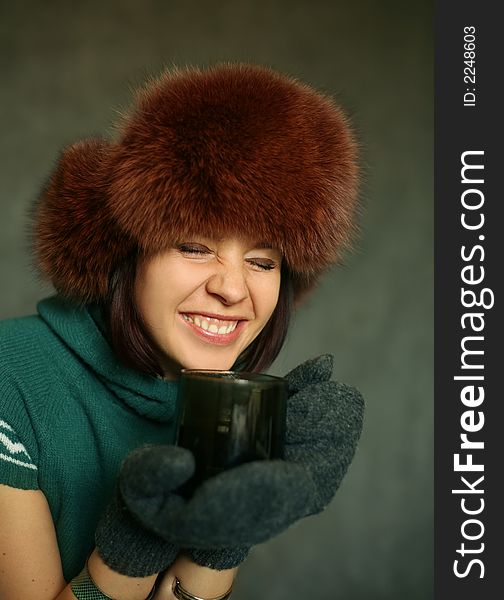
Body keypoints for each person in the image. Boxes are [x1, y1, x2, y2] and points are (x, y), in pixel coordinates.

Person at [0, 63, 364, 600]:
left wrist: (227, 536)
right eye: (195, 247)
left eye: (263, 262)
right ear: (129, 253)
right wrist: (134, 541)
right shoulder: (12, 374)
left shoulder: (216, 402)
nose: (233, 289)